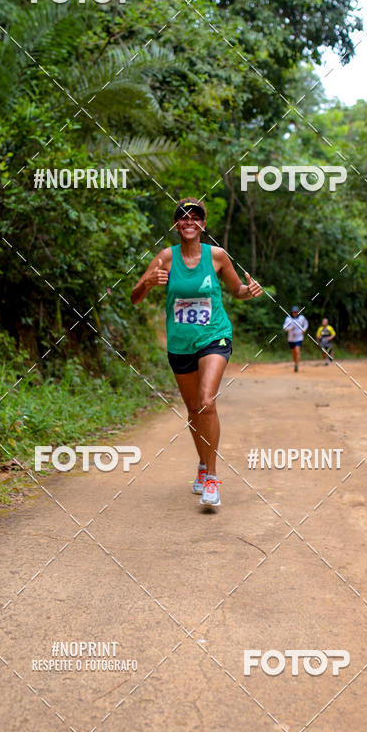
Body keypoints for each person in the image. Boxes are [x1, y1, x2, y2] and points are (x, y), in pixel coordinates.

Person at [131, 198, 263, 508]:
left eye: (195, 217)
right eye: (183, 217)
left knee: (206, 401)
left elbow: (237, 291)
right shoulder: (165, 257)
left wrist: (250, 291)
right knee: (193, 409)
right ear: (176, 224)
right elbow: (135, 297)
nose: (189, 222)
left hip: (214, 336)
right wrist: (148, 282)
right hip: (180, 344)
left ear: (203, 224)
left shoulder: (217, 256)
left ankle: (213, 478)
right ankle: (203, 465)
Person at [283, 305, 308, 372]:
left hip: (299, 337)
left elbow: (306, 324)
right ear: (292, 312)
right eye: (294, 312)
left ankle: (297, 365)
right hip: (291, 338)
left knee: (297, 351)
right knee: (293, 352)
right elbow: (284, 328)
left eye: (296, 312)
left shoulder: (301, 318)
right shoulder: (288, 319)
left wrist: (304, 329)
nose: (295, 313)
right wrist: (290, 328)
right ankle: (295, 362)